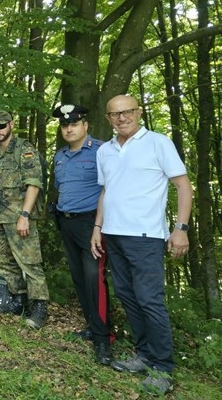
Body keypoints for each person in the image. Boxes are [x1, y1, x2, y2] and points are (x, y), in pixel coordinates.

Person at [90, 95, 192, 396]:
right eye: (115, 114)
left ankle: (163, 366)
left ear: (139, 112)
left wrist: (181, 229)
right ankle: (144, 354)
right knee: (127, 295)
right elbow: (106, 191)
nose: (122, 118)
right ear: (108, 118)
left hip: (146, 236)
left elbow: (183, 185)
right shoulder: (105, 151)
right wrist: (97, 227)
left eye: (127, 112)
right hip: (113, 233)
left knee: (150, 299)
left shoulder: (158, 143)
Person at [51, 104, 114, 365]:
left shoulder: (102, 151)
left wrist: (98, 227)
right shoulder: (60, 156)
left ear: (85, 126)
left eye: (74, 124)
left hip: (92, 225)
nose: (69, 128)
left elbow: (109, 190)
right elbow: (60, 188)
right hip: (67, 223)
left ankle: (104, 339)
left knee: (94, 278)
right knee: (78, 277)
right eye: (65, 125)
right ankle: (92, 326)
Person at [0, 109, 50, 329]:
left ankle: (40, 306)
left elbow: (34, 183)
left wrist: (25, 215)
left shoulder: (24, 150)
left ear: (11, 125)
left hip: (19, 216)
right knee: (3, 261)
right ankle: (18, 299)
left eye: (1, 126)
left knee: (30, 263)